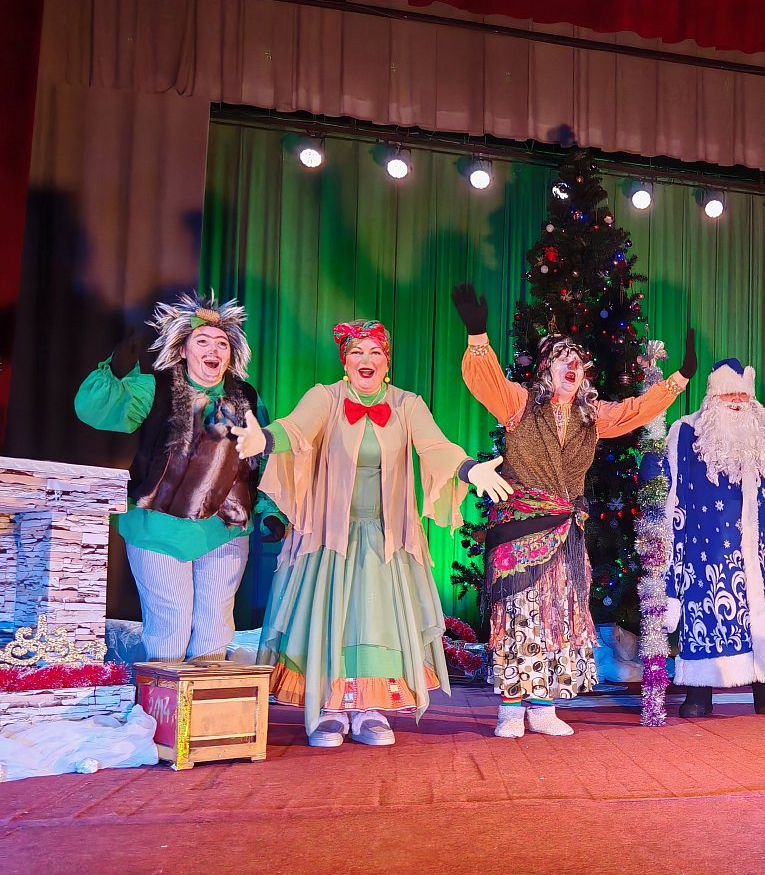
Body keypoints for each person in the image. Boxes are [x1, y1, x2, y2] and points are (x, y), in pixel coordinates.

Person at [230, 319, 511, 748]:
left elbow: (435, 447)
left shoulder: (407, 405)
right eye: (357, 352)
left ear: (387, 362)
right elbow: (296, 429)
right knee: (331, 621)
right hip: (329, 537)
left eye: (375, 352)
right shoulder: (325, 398)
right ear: (345, 361)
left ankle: (369, 709)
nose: (367, 359)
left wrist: (469, 469)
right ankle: (328, 708)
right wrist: (265, 439)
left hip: (385, 537)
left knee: (377, 622)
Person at [452, 283, 695, 738]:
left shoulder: (591, 416)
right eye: (563, 359)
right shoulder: (520, 404)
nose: (572, 365)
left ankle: (543, 707)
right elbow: (486, 383)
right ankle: (511, 708)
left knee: (558, 616)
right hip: (520, 530)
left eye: (578, 361)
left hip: (565, 534)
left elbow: (635, 410)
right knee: (520, 616)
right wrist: (477, 336)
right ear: (546, 368)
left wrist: (679, 378)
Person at [74, 293, 281, 661]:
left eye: (222, 344)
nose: (213, 350)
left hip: (225, 529)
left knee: (215, 626)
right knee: (170, 624)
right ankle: (164, 696)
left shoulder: (245, 397)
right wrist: (116, 370)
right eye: (202, 341)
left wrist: (269, 511)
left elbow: (260, 460)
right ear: (183, 350)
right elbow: (95, 410)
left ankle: (205, 696)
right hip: (160, 526)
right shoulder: (156, 386)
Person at [663, 359, 765, 718]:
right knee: (704, 614)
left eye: (742, 395)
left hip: (758, 551)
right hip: (704, 549)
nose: (736, 402)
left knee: (761, 617)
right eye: (728, 394)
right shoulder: (687, 433)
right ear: (712, 397)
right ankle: (698, 693)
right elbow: (671, 489)